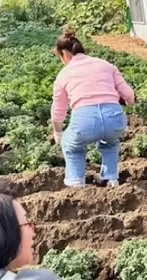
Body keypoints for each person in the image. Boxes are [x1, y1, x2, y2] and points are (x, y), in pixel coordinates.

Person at [51, 27, 135, 188]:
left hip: (85, 121)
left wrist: (58, 133)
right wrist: (128, 105)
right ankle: (110, 178)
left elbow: (58, 111)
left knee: (71, 145)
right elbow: (129, 95)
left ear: (65, 54)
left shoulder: (63, 74)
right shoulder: (106, 65)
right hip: (114, 117)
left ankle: (76, 183)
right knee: (110, 142)